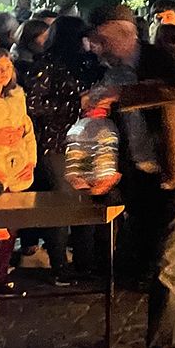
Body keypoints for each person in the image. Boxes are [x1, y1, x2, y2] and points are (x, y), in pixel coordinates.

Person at [88, 9, 175, 348]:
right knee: (149, 264)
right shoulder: (113, 74)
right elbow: (123, 130)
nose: (97, 47)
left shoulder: (165, 55)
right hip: (148, 181)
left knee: (168, 266)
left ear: (122, 33)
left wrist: (124, 95)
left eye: (102, 39)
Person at [22, 16, 105, 279]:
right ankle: (60, 266)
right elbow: (34, 104)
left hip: (88, 140)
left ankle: (86, 261)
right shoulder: (46, 65)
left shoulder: (88, 64)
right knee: (62, 201)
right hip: (57, 143)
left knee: (86, 200)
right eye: (83, 37)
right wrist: (74, 105)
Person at [0, 47, 36, 295]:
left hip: (15, 172)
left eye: (6, 67)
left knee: (9, 229)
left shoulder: (16, 98)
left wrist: (29, 162)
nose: (1, 73)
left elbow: (27, 133)